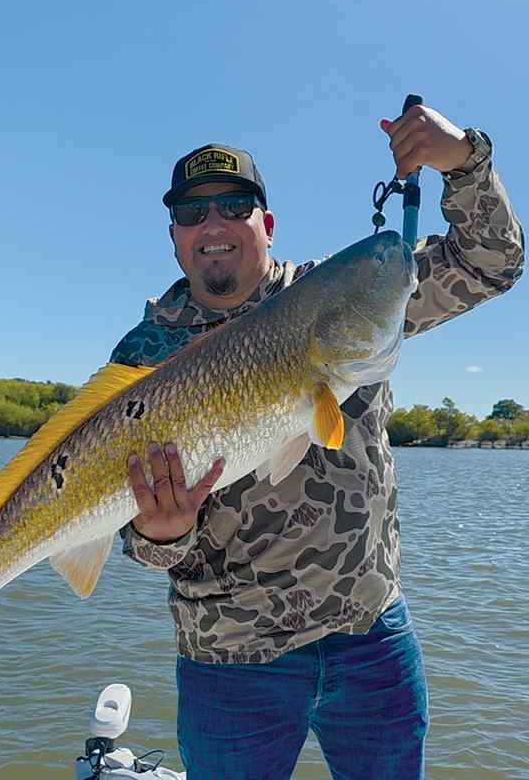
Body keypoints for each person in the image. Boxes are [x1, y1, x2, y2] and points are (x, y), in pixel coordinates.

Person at [110, 105, 524, 780]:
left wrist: (465, 162)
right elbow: (135, 541)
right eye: (192, 213)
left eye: (234, 206)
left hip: (371, 638)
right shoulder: (143, 355)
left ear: (266, 226)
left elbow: (493, 261)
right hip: (230, 663)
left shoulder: (346, 291)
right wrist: (161, 536)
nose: (213, 225)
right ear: (175, 238)